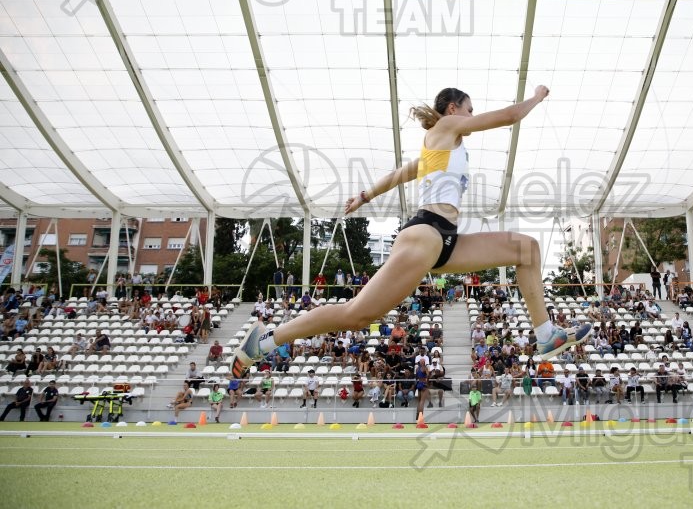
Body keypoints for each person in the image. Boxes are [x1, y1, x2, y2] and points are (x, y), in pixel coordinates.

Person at [229, 87, 591, 378]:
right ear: (453, 110)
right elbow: (510, 117)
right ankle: (264, 341)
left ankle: (546, 334)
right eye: (469, 109)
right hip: (425, 235)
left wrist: (366, 195)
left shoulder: (444, 147)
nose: (471, 115)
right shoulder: (446, 129)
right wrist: (538, 95)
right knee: (357, 315)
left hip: (446, 241)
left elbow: (405, 172)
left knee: (526, 249)